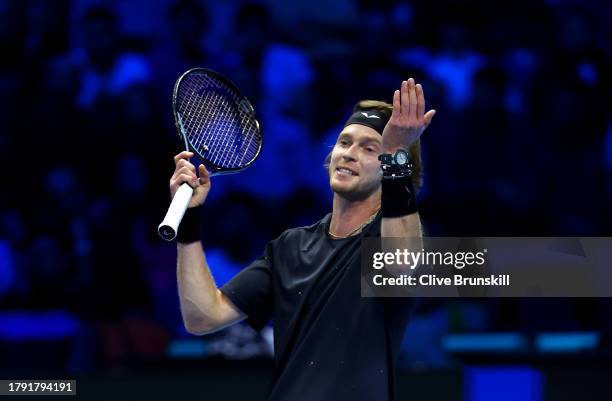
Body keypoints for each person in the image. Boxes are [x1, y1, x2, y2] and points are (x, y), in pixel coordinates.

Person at [169, 78, 436, 401]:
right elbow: (203, 316)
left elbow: (401, 262)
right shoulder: (289, 248)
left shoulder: (389, 240)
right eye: (345, 143)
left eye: (370, 149)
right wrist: (189, 221)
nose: (350, 154)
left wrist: (395, 152)